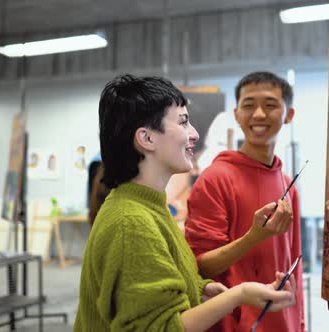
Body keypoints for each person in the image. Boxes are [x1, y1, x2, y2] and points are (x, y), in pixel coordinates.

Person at [74, 74, 297, 332]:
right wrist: (238, 295)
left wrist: (202, 289)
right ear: (147, 139)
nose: (194, 134)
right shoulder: (131, 223)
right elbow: (162, 327)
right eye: (183, 122)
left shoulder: (148, 206)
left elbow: (169, 278)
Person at [185, 71, 305, 332]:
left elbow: (294, 261)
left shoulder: (287, 183)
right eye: (249, 105)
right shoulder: (215, 179)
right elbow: (199, 265)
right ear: (237, 114)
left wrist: (300, 322)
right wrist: (253, 237)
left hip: (283, 322)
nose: (259, 115)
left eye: (271, 105)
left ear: (289, 115)